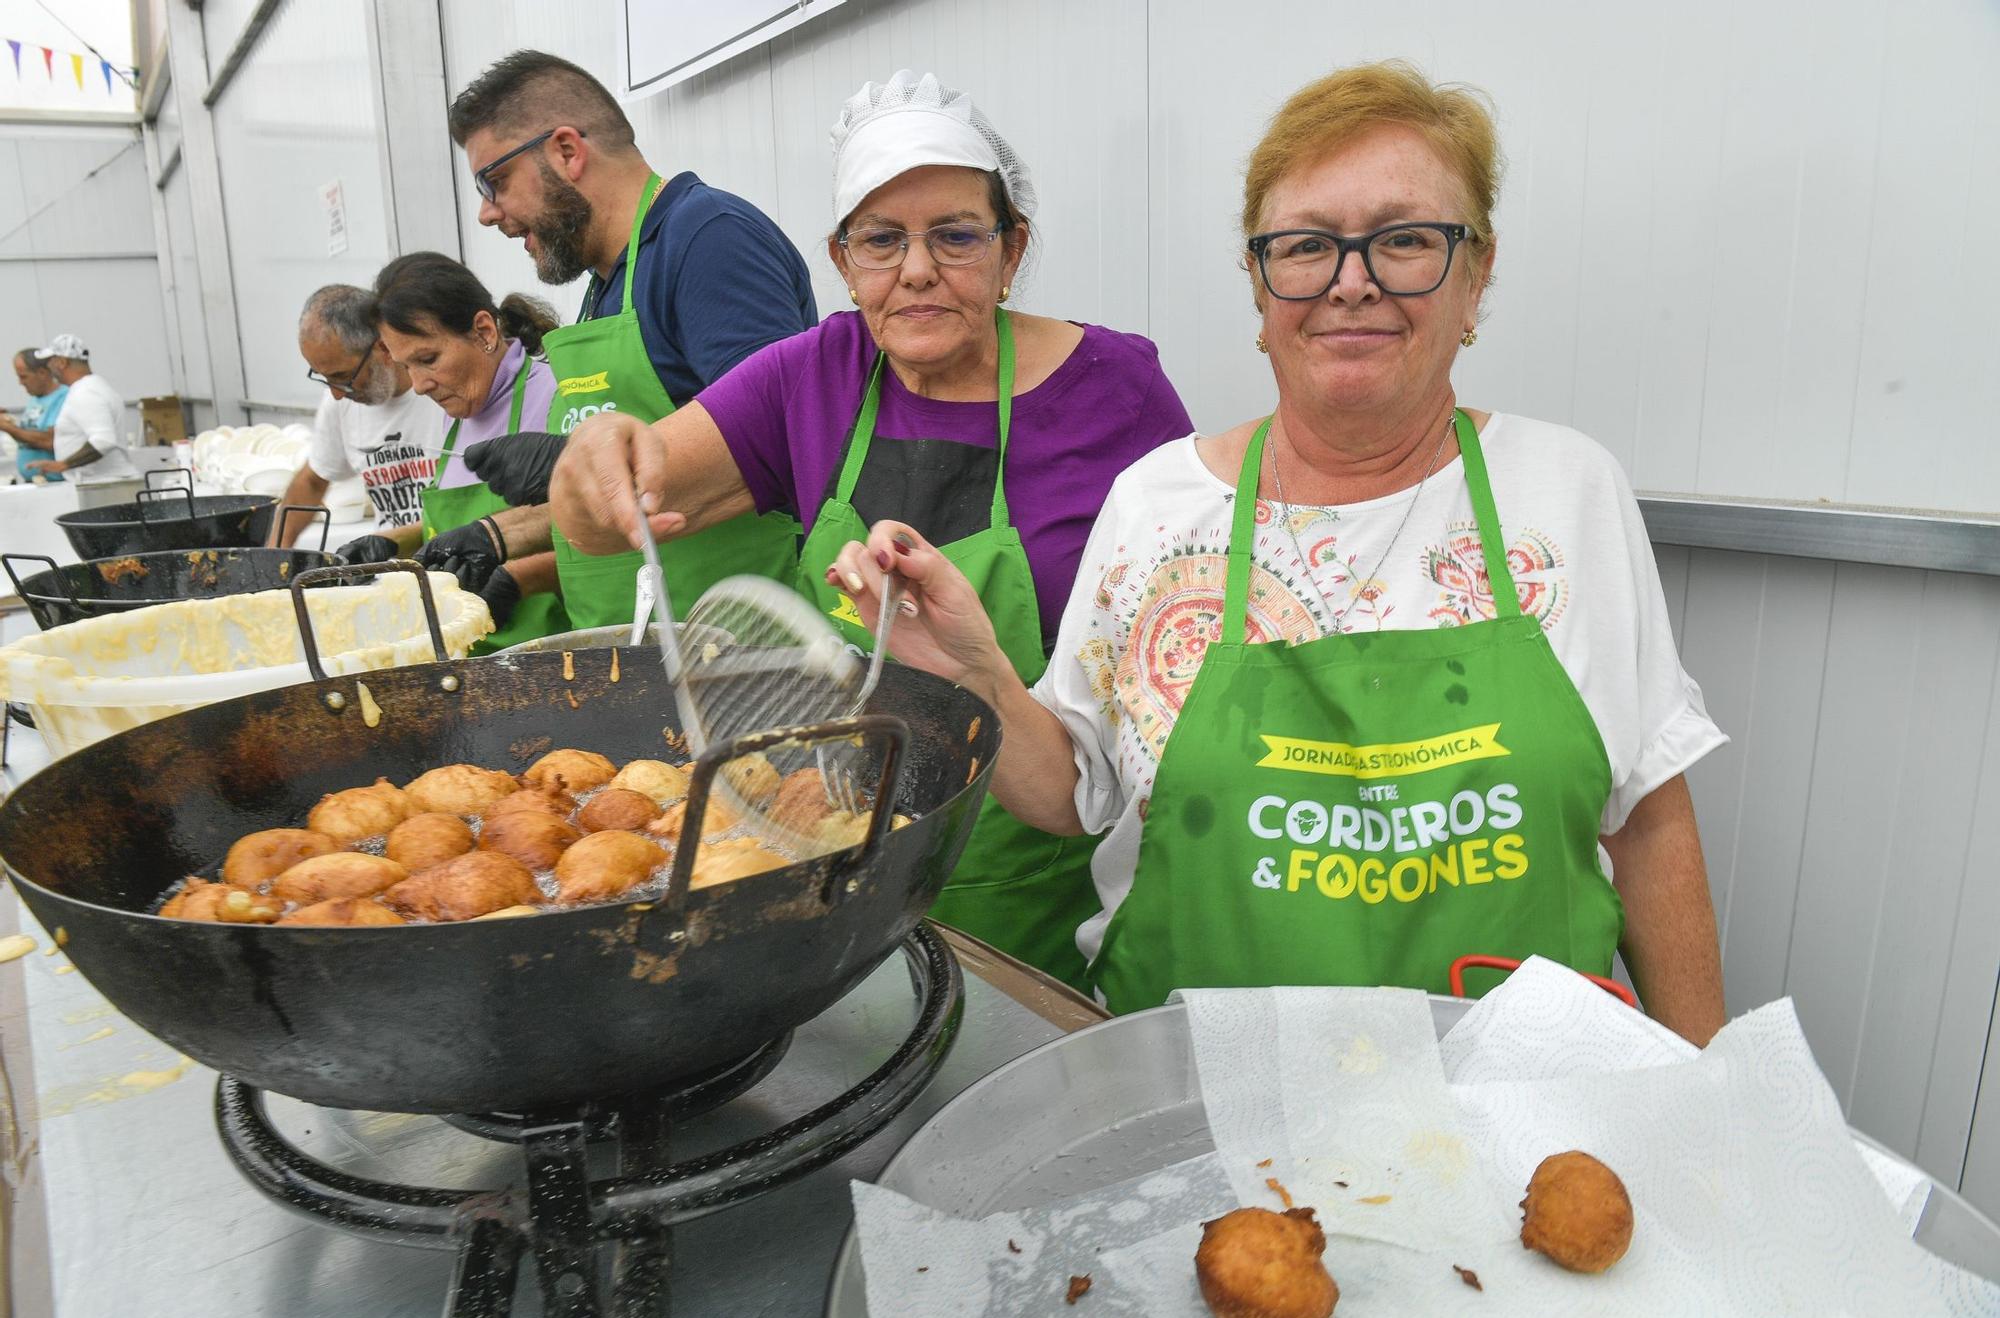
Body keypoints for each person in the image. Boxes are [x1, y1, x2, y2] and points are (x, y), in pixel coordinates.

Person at [813, 62, 1730, 1044]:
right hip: (1192, 1102)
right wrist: (974, 673)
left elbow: (1645, 825)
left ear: (1475, 273)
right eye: (1304, 247)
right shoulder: (1157, 508)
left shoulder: (1565, 490)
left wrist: (1707, 1097)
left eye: (1405, 240)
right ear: (1257, 284)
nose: (1350, 281)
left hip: (1518, 1118)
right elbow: (1073, 793)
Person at [547, 71, 1196, 990]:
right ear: (843, 262)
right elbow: (608, 516)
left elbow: (1180, 660)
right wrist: (588, 464)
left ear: (1011, 252)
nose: (918, 269)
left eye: (956, 236)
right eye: (882, 241)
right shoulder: (809, 377)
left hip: (1049, 863)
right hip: (843, 859)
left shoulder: (1117, 389)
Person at [443, 49, 814, 629]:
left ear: (567, 151)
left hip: (738, 657)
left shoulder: (708, 241)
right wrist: (503, 535)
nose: (489, 214)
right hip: (638, 654)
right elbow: (640, 496)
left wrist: (567, 463)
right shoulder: (602, 285)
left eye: (495, 181)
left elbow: (778, 442)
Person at [368, 251, 564, 651]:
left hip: (547, 650)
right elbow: (456, 532)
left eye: (428, 359)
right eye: (407, 367)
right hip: (467, 649)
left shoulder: (555, 394)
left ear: (484, 331)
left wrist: (517, 579)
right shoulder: (457, 409)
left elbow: (602, 536)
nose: (419, 384)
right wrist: (393, 543)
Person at [273, 285, 448, 553]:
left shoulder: (443, 393)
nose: (336, 393)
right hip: (393, 572)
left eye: (343, 377)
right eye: (324, 378)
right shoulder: (339, 401)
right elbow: (313, 480)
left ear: (383, 347)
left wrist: (391, 542)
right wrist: (276, 553)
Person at [21, 335, 130, 482]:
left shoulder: (85, 392)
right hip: (107, 481)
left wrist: (63, 465)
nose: (48, 368)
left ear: (61, 362)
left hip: (104, 483)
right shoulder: (94, 387)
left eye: (49, 362)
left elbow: (104, 440)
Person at [3, 348, 70, 481]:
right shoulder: (35, 399)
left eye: (24, 376)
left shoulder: (64, 397)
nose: (20, 383)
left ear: (42, 373)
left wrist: (7, 427)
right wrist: (9, 422)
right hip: (37, 482)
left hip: (56, 483)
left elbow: (50, 441)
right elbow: (29, 435)